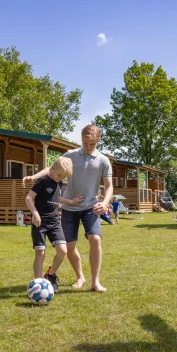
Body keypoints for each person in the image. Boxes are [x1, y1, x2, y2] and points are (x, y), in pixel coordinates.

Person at [24, 124, 113, 292]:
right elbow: (52, 168)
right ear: (81, 140)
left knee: (95, 239)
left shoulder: (103, 160)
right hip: (69, 208)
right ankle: (80, 276)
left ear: (98, 141)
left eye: (92, 144)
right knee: (69, 246)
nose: (88, 147)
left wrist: (105, 202)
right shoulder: (71, 155)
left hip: (91, 207)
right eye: (85, 143)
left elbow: (109, 187)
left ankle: (95, 281)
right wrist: (34, 177)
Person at [25, 157, 83, 292]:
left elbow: (56, 198)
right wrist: (35, 213)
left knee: (63, 250)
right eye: (58, 176)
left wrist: (71, 201)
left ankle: (50, 274)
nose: (59, 179)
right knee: (40, 252)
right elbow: (29, 198)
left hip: (54, 221)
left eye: (62, 177)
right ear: (52, 168)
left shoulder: (59, 182)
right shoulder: (43, 181)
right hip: (40, 221)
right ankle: (37, 284)